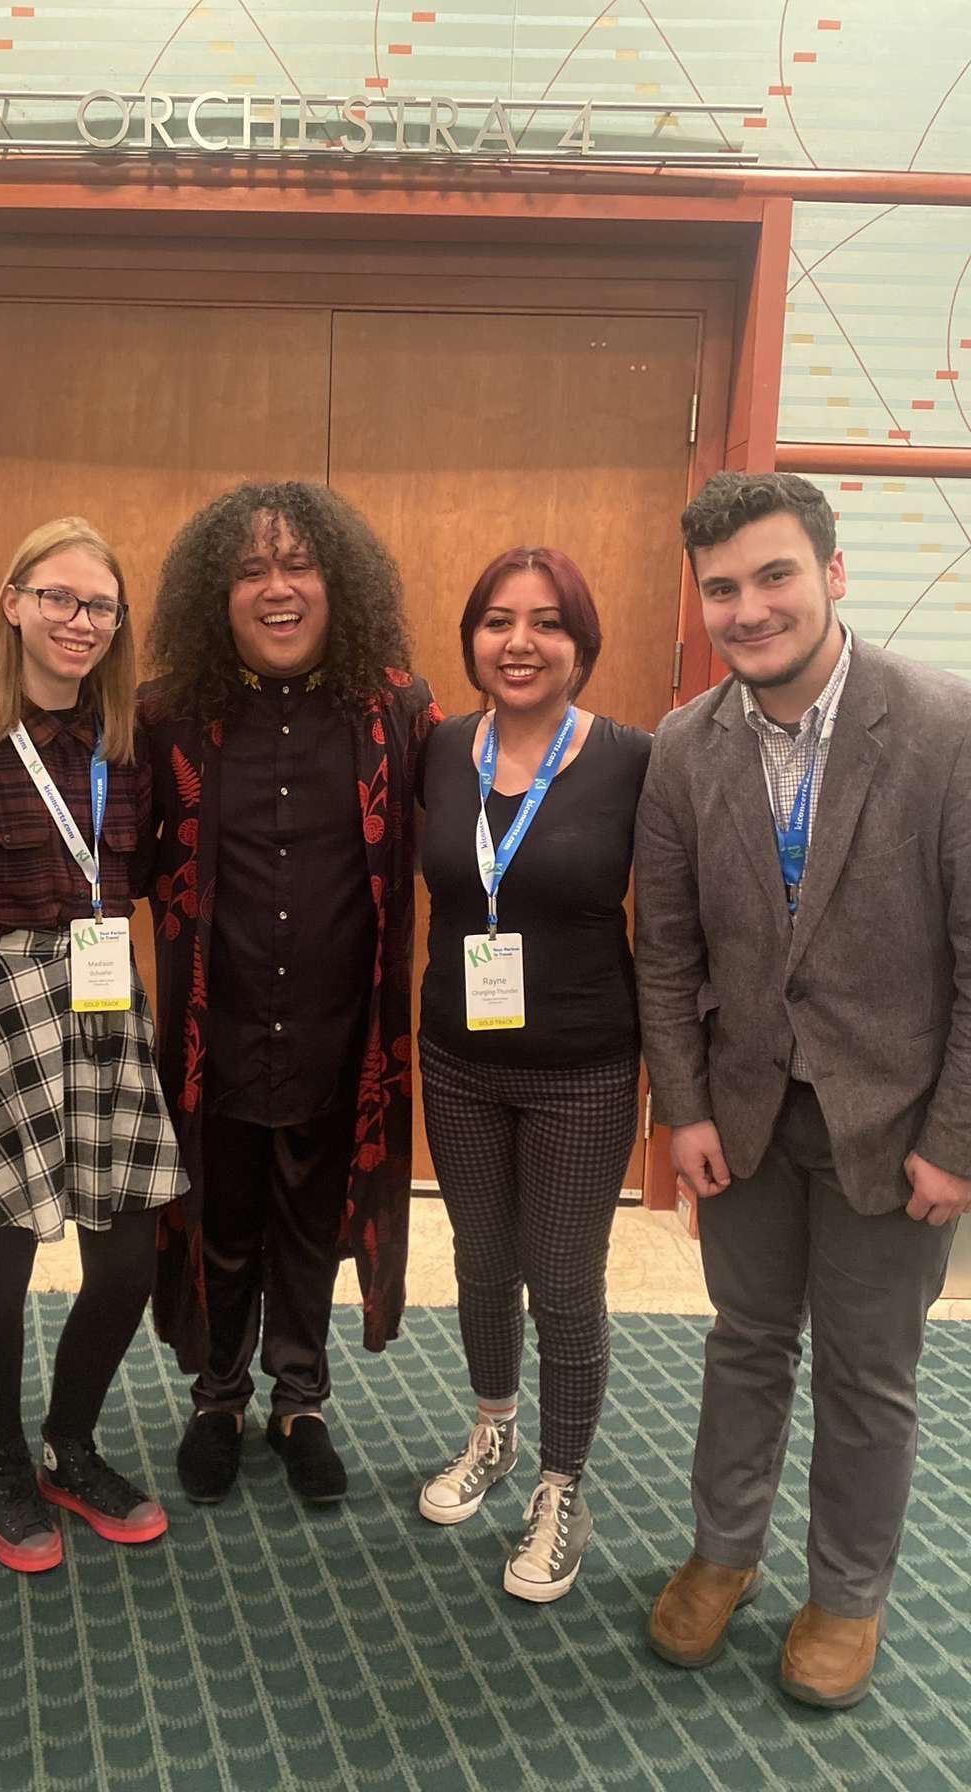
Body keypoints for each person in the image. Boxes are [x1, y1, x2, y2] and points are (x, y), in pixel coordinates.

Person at [635, 471, 971, 1709]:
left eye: (774, 575)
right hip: (747, 1121)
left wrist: (960, 1139)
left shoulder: (945, 726)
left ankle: (848, 1594)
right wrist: (685, 1110)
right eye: (722, 588)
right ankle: (724, 1553)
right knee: (746, 1345)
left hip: (900, 1125)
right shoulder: (683, 747)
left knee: (870, 1372)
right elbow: (665, 952)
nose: (748, 608)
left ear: (832, 574)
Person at [0, 517, 186, 1574]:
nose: (78, 620)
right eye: (56, 597)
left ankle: (70, 1440)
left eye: (99, 605)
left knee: (126, 1260)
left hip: (108, 1011)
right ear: (9, 602)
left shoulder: (127, 744)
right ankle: (4, 1461)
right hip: (0, 1003)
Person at [141, 481, 440, 1505]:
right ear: (216, 596)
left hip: (337, 1032)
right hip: (209, 1029)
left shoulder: (397, 711)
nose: (277, 587)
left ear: (336, 584)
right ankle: (219, 1396)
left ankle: (300, 1396)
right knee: (222, 1220)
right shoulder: (169, 717)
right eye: (251, 569)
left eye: (298, 564)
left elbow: (469, 834)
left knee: (313, 1219)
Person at [414, 547, 649, 1602]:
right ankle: (495, 1429)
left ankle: (563, 1482)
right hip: (458, 1057)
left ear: (581, 645)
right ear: (471, 639)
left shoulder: (633, 759)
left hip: (585, 1066)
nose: (520, 643)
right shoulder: (439, 749)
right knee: (479, 1259)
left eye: (547, 623)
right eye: (498, 621)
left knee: (561, 1277)